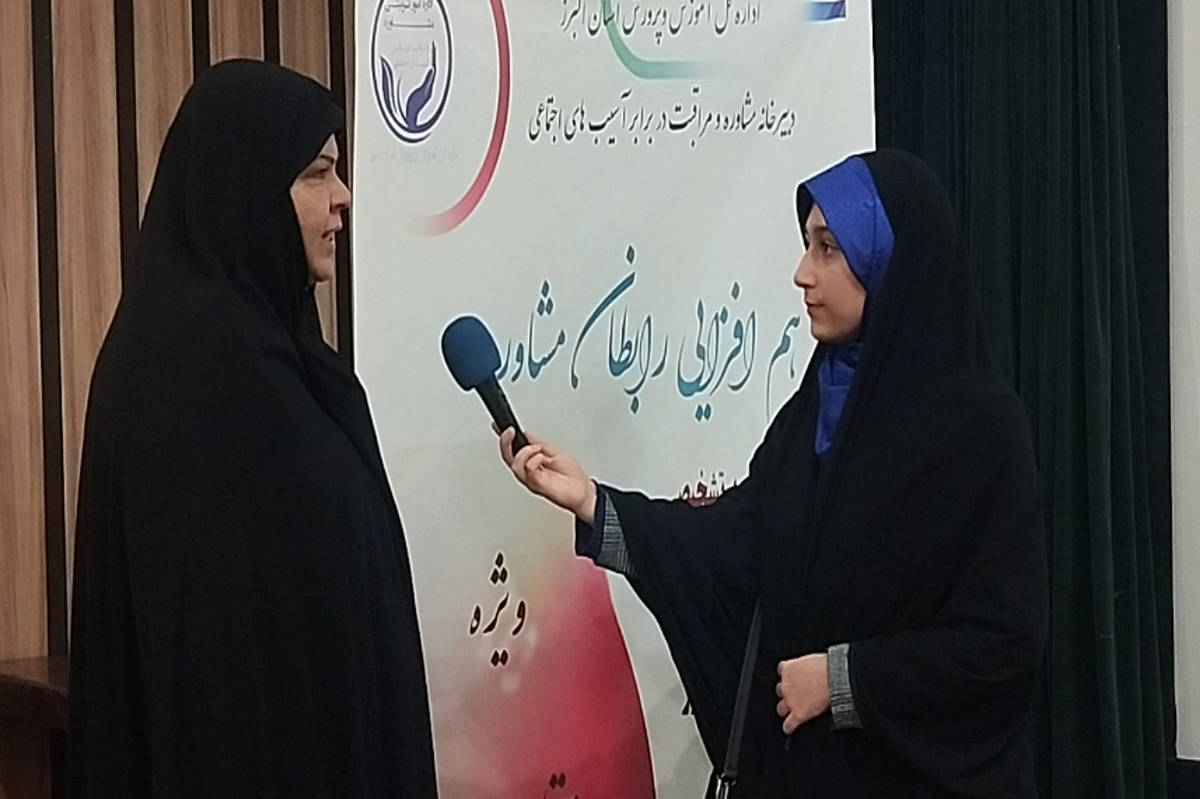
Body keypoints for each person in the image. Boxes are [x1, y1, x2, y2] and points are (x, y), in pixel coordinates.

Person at [498, 149, 1048, 797]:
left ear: (891, 264)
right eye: (807, 245)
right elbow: (737, 543)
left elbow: (1003, 642)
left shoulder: (979, 433)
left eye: (828, 249)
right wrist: (593, 501)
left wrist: (844, 680)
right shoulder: (815, 413)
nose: (802, 273)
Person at [69, 60, 438, 797]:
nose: (343, 196)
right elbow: (223, 652)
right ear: (247, 188)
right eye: (317, 173)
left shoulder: (273, 350)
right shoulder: (196, 372)